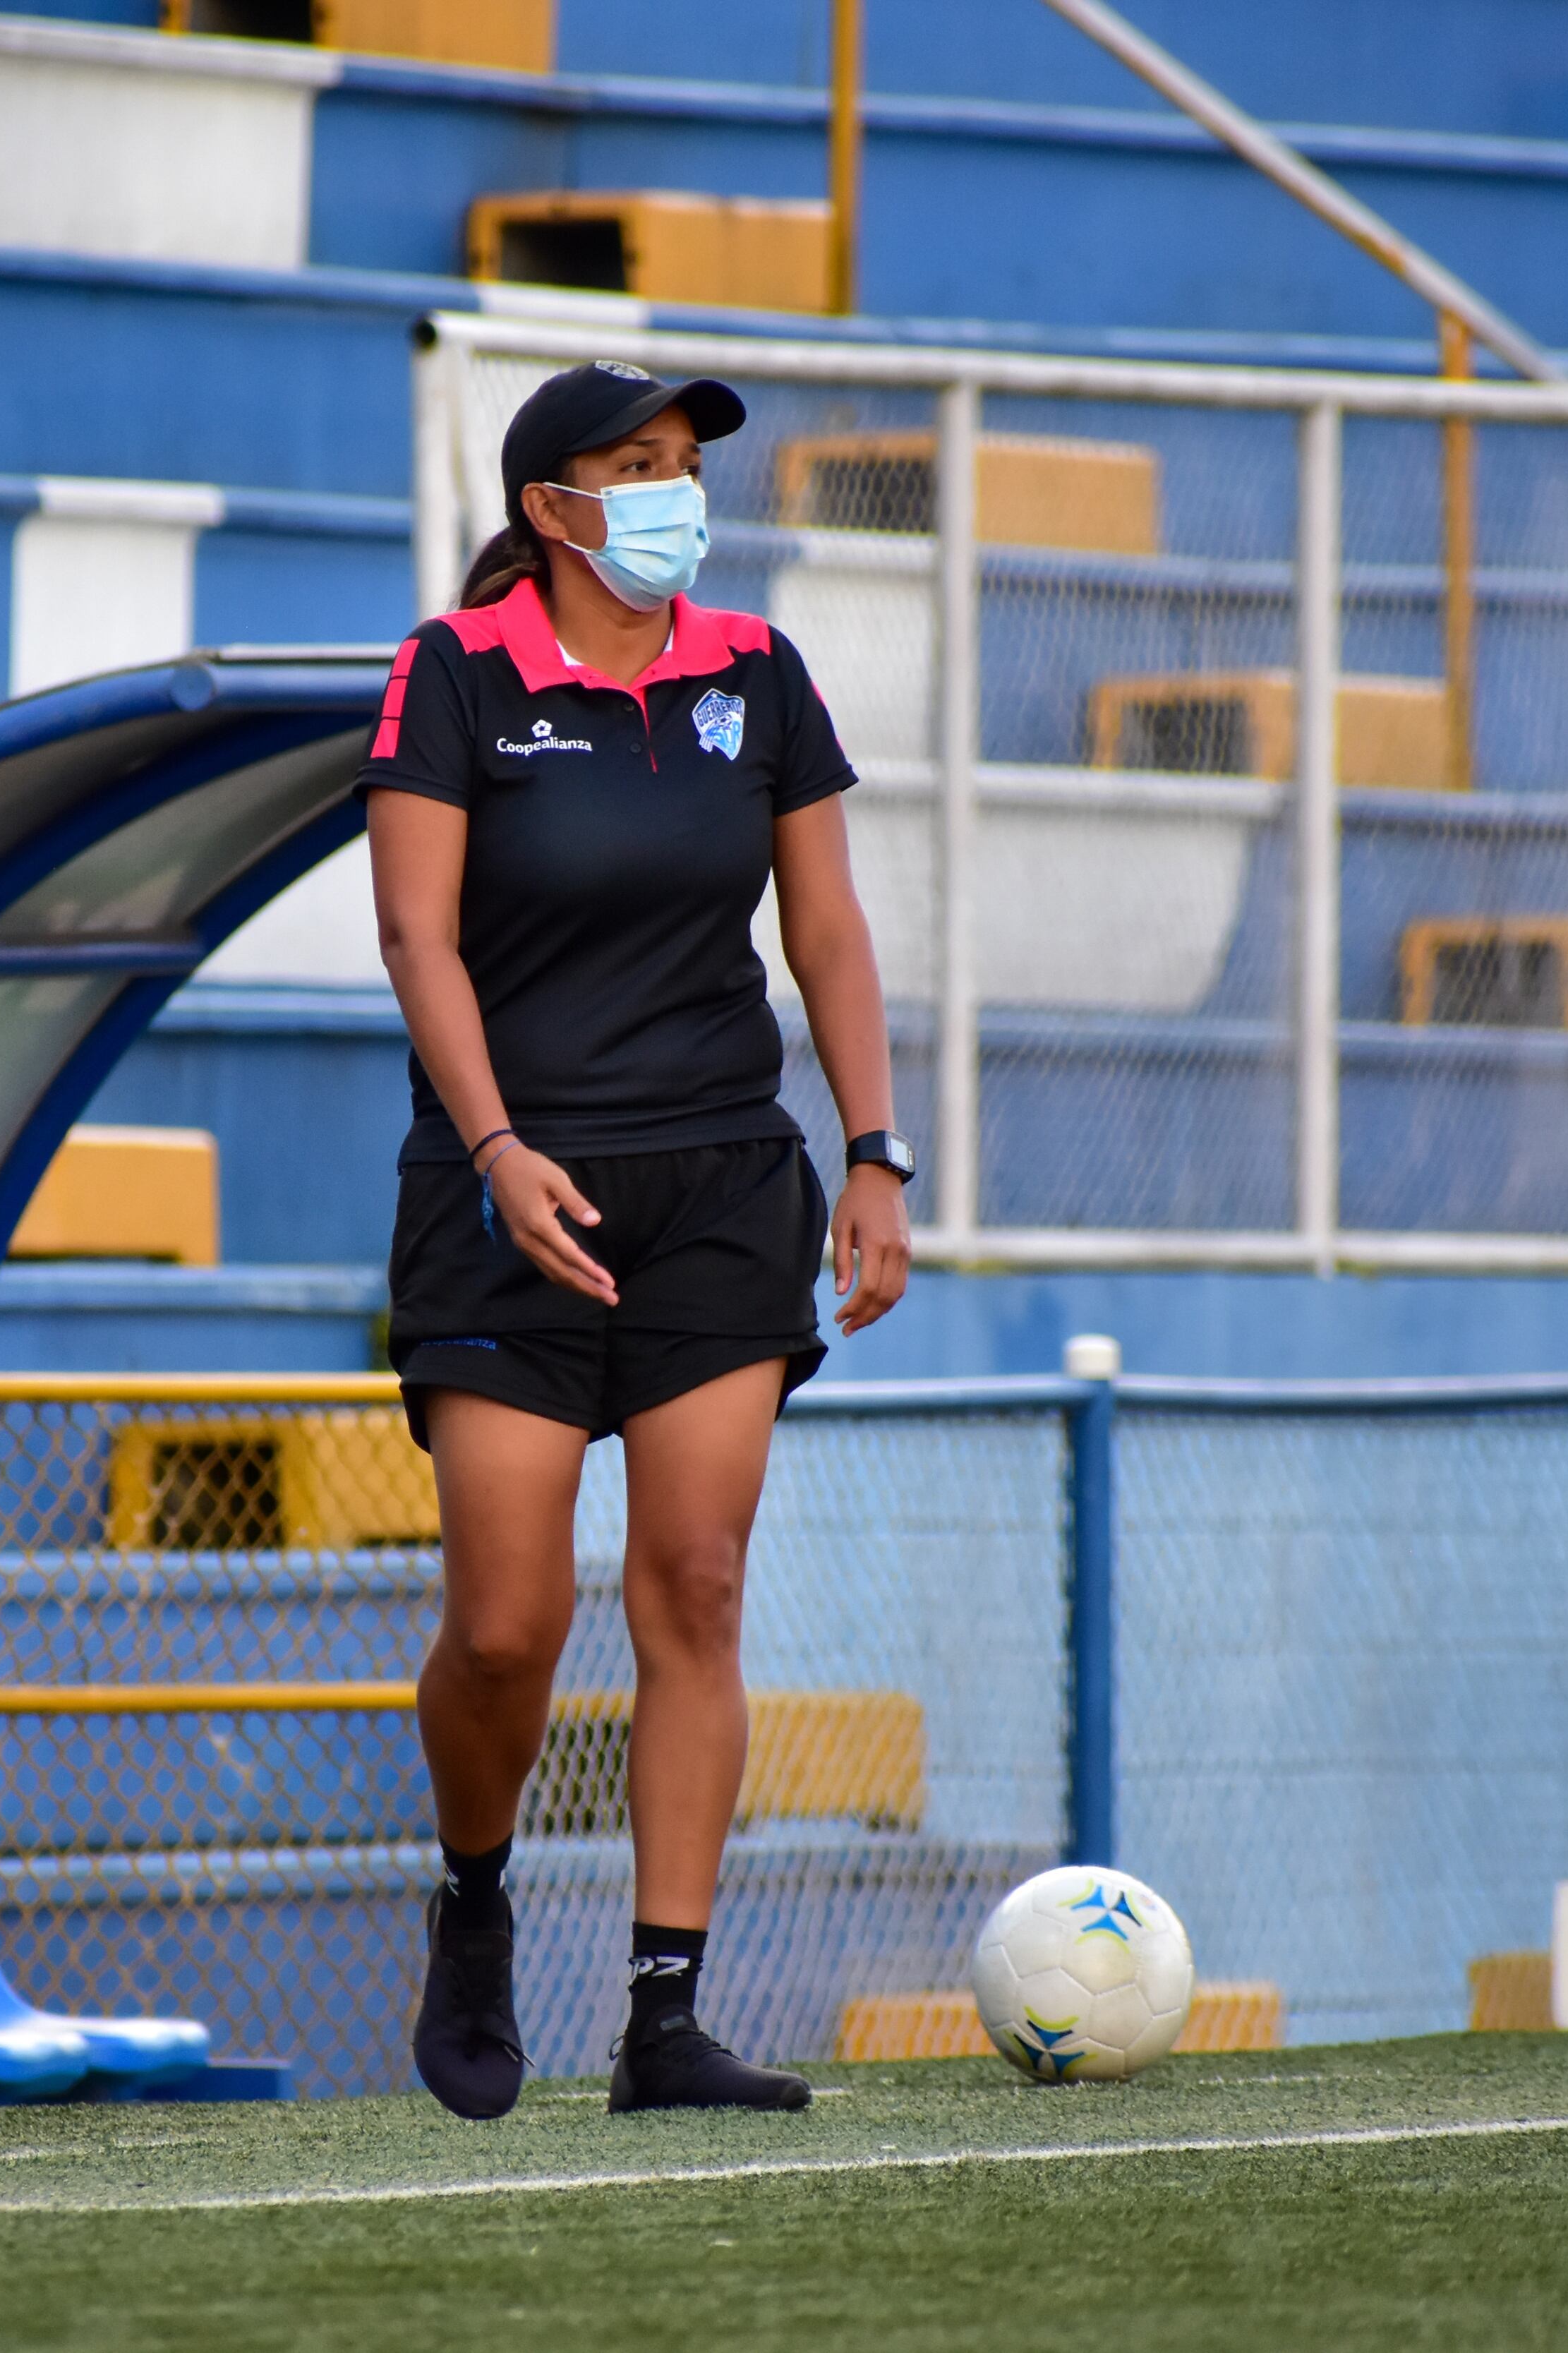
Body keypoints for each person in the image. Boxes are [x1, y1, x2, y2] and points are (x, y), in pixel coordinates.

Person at [361, 361, 914, 2117]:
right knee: (509, 1624)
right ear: (549, 508)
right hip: (502, 1195)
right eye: (635, 464)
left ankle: (664, 2018)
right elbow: (414, 939)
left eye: (684, 463)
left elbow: (825, 929)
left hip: (716, 1190)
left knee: (695, 1582)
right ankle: (472, 1894)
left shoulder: (758, 673)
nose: (676, 491)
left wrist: (875, 1153)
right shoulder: (448, 676)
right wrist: (500, 1147)